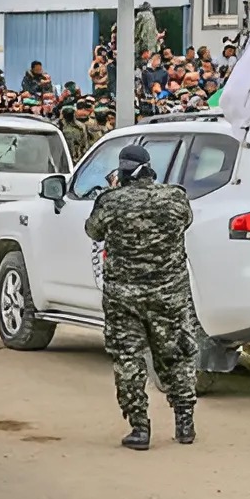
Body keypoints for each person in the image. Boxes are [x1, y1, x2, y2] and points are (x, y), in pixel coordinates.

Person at [84, 144, 198, 450]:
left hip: (124, 297)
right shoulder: (174, 197)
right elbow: (186, 221)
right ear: (149, 167)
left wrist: (112, 193)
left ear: (121, 171)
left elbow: (92, 231)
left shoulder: (110, 201)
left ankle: (139, 429)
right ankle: (185, 422)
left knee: (128, 358)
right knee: (176, 354)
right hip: (169, 294)